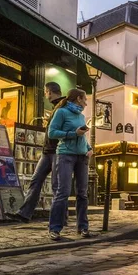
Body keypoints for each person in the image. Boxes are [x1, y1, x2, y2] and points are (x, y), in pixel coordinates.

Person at [6, 82, 66, 224]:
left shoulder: (62, 106)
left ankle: (62, 218)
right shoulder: (56, 107)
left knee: (57, 185)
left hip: (57, 151)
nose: (46, 95)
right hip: (47, 151)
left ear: (49, 92)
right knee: (36, 180)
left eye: (46, 92)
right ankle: (25, 213)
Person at [47, 88, 93, 240]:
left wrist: (88, 148)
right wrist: (73, 134)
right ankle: (54, 229)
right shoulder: (61, 112)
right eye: (85, 99)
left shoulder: (80, 116)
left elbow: (82, 137)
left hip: (82, 157)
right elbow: (52, 133)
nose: (86, 103)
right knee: (63, 192)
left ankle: (83, 228)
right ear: (79, 98)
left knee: (82, 194)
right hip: (65, 155)